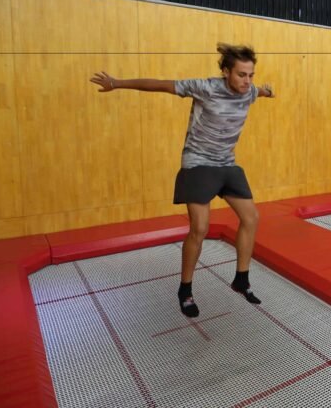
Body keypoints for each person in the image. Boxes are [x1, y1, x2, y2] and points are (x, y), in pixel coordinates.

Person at [90, 44, 274, 318]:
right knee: (200, 228)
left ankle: (241, 279)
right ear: (225, 72)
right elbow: (160, 85)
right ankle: (185, 289)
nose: (247, 81)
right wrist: (117, 83)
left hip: (226, 163)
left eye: (251, 75)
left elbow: (262, 90)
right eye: (241, 75)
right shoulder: (205, 87)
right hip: (198, 163)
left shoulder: (249, 92)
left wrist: (267, 90)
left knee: (251, 218)